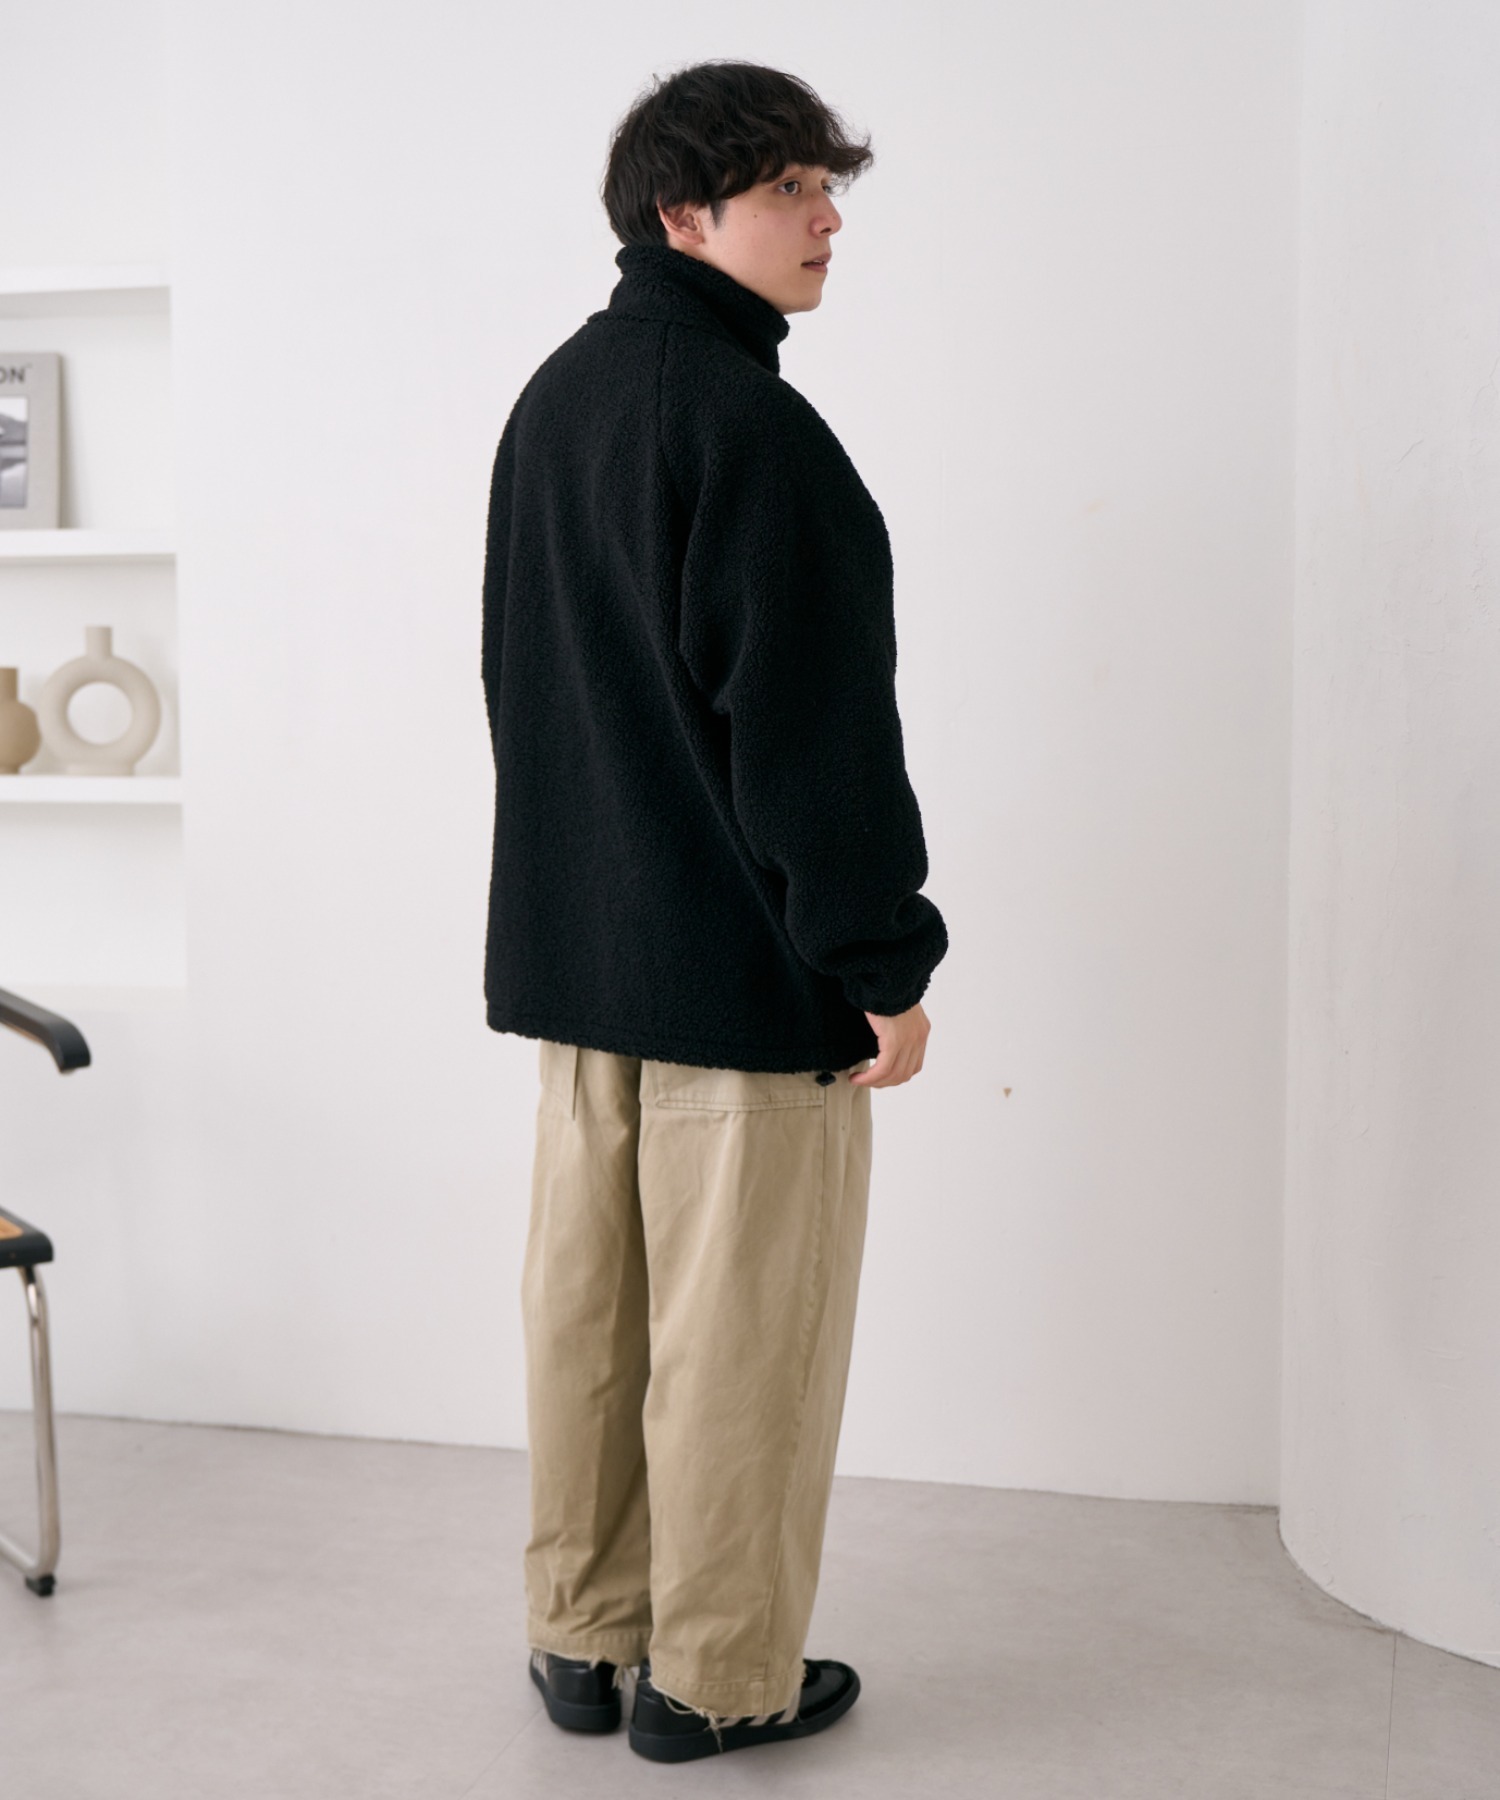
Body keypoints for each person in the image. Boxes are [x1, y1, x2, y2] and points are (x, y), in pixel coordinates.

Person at [479, 58, 948, 1763]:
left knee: (589, 1331)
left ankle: (582, 1639)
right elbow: (811, 738)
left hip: (582, 975)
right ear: (684, 214)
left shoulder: (558, 400)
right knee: (744, 1350)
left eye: (830, 186)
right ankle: (714, 1680)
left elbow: (525, 694)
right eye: (790, 190)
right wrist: (880, 958)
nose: (828, 220)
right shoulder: (753, 429)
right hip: (743, 994)